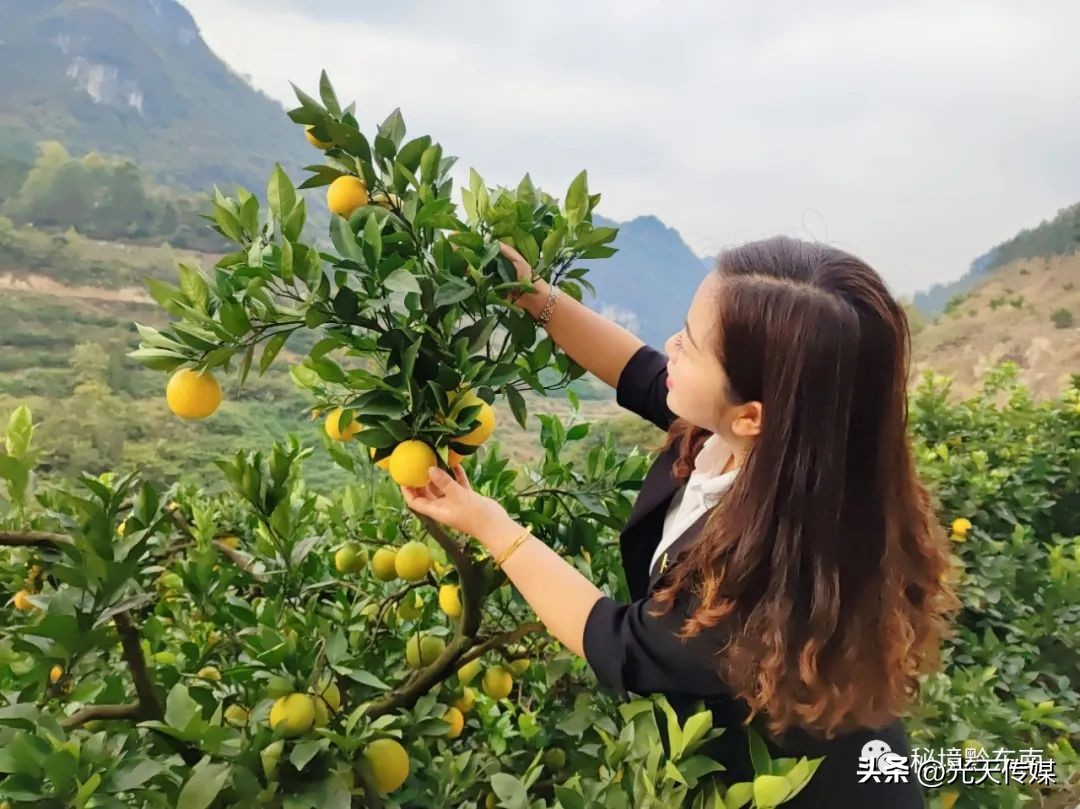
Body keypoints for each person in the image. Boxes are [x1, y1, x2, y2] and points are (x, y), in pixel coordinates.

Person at [400, 236, 958, 808]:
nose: (672, 345)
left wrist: (488, 523)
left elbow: (620, 641)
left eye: (690, 344)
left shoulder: (770, 563)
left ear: (751, 416)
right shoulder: (782, 445)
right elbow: (638, 371)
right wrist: (533, 297)